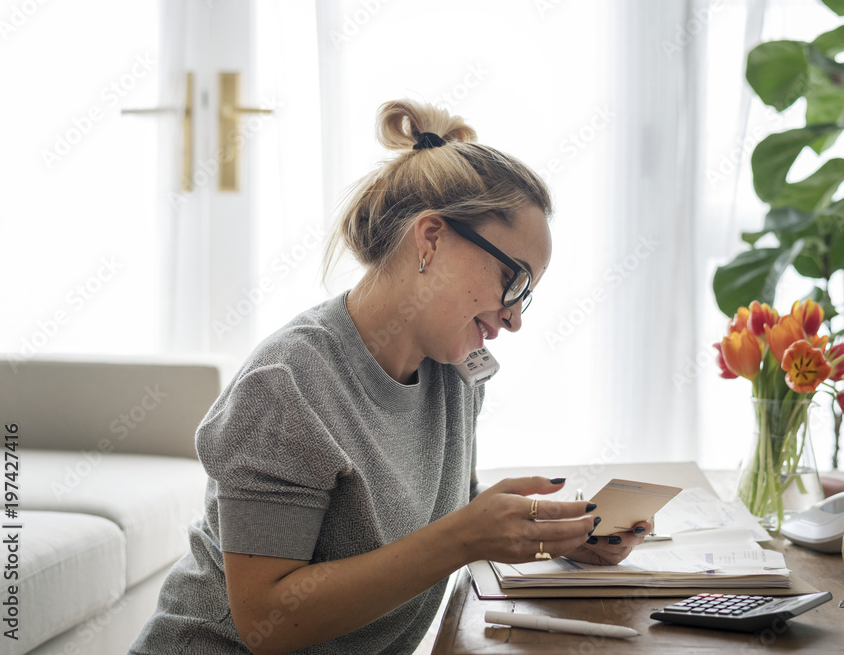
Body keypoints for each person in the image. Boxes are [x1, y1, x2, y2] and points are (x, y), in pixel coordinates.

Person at [130, 99, 653, 655]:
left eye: (527, 293)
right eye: (512, 280)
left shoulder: (454, 372)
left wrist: (557, 540)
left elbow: (432, 512)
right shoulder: (286, 385)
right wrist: (467, 535)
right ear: (430, 239)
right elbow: (268, 620)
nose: (515, 316)